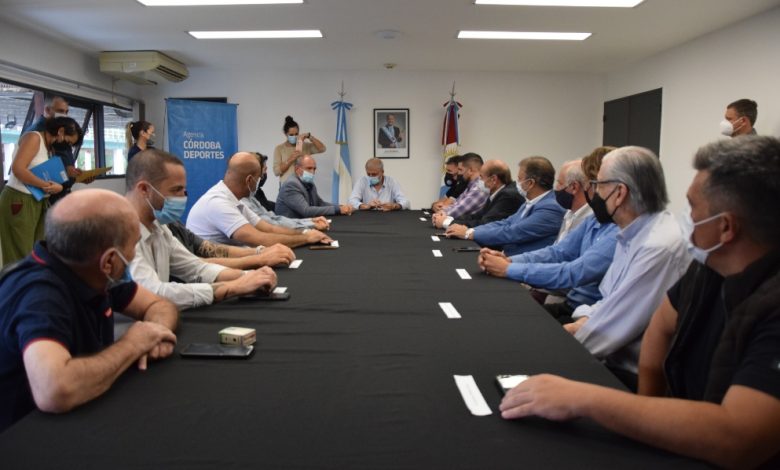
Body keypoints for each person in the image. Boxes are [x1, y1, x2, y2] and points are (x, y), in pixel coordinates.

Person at [500, 136, 780, 469]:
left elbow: (738, 438)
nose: (685, 219)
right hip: (688, 417)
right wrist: (647, 414)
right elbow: (661, 327)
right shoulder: (709, 268)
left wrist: (584, 398)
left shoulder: (769, 302)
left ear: (725, 227)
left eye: (692, 209)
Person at [0, 189, 178, 432]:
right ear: (109, 261)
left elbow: (158, 304)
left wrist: (155, 332)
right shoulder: (40, 295)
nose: (134, 254)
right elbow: (55, 390)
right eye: (134, 245)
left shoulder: (91, 270)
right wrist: (133, 344)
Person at [563, 146, 690, 388]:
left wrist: (562, 344)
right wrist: (583, 321)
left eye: (598, 185)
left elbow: (611, 330)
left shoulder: (658, 246)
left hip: (628, 376)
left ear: (619, 193)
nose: (594, 193)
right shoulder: (631, 234)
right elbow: (608, 300)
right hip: (607, 355)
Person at [125, 149, 278, 310]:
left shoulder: (160, 227)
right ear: (144, 189)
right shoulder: (121, 233)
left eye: (184, 190)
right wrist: (232, 287)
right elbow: (153, 293)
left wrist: (248, 276)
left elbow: (196, 268)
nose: (183, 197)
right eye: (176, 190)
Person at [478, 158, 618, 316]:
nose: (555, 188)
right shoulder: (587, 217)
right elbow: (558, 252)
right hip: (561, 295)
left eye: (598, 185)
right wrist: (509, 261)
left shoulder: (555, 209)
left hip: (569, 301)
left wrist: (508, 268)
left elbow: (573, 272)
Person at [187, 152, 333, 248]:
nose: (259, 182)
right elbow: (260, 238)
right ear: (249, 180)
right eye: (258, 178)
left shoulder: (234, 199)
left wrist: (305, 233)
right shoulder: (218, 203)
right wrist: (306, 238)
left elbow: (269, 228)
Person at [0, 116, 83, 266]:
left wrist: (65, 175)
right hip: (20, 199)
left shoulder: (49, 147)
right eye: (68, 142)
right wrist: (47, 186)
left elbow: (40, 171)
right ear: (60, 131)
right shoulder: (34, 138)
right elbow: (18, 169)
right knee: (20, 253)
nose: (67, 147)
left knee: (36, 251)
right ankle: (18, 281)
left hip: (38, 200)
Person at [451, 156, 565, 256]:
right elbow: (505, 223)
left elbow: (513, 232)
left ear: (530, 183)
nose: (517, 182)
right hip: (507, 256)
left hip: (522, 264)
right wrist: (470, 230)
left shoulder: (551, 208)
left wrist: (469, 234)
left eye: (520, 178)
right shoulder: (530, 201)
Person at [242, 153, 330, 231]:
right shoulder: (243, 203)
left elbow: (273, 218)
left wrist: (310, 221)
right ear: (249, 179)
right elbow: (272, 224)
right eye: (261, 174)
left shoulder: (252, 197)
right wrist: (310, 225)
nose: (263, 176)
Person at [167, 221, 296, 270]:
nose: (183, 196)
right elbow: (193, 264)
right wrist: (259, 258)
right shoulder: (218, 202)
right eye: (176, 190)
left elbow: (212, 249)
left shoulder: (173, 224)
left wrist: (260, 251)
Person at [438, 159, 522, 234]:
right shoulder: (496, 192)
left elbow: (486, 223)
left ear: (493, 179)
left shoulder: (508, 195)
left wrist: (447, 223)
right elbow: (477, 216)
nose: (479, 181)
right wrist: (448, 218)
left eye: (481, 177)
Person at [275, 155, 353, 218]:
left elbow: (320, 203)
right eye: (309, 168)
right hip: (289, 228)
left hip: (304, 223)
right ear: (297, 169)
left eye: (314, 169)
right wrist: (338, 210)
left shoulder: (309, 183)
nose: (312, 172)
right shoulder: (291, 185)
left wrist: (341, 207)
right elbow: (306, 211)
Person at [432, 153, 487, 221]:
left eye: (460, 170)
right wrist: (440, 208)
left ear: (470, 170)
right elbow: (456, 204)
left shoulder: (479, 188)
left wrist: (440, 213)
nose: (459, 173)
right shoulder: (471, 185)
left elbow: (458, 211)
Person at [273, 116, 326, 183]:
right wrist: (290, 159)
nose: (294, 136)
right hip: (287, 185)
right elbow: (276, 172)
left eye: (296, 134)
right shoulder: (279, 149)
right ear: (285, 134)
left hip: (304, 184)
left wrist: (310, 137)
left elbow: (322, 149)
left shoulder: (305, 146)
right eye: (291, 135)